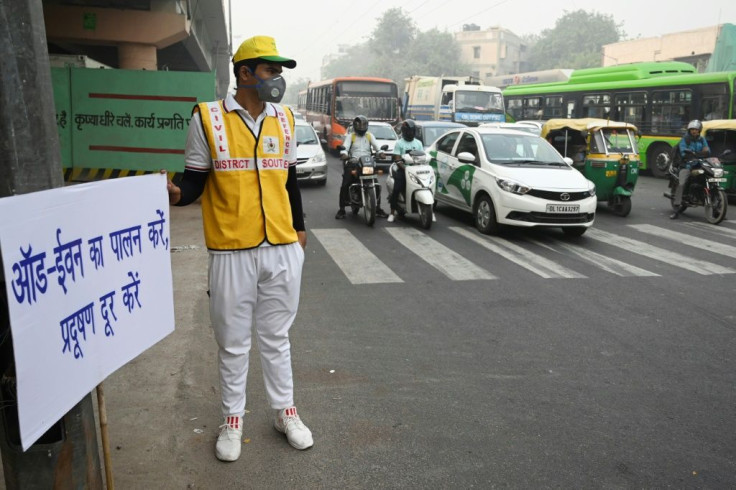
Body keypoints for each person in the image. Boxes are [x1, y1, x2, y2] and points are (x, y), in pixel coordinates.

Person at [164, 35, 313, 462]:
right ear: (245, 73)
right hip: (231, 250)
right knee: (232, 342)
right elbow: (194, 180)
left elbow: (289, 181)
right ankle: (232, 421)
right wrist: (177, 194)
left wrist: (299, 234)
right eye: (270, 70)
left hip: (281, 248)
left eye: (280, 72)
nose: (277, 79)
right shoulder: (207, 118)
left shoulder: (284, 119)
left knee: (277, 337)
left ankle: (285, 412)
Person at [335, 115, 389, 219]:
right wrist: (344, 154)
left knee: (376, 184)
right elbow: (345, 148)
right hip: (354, 163)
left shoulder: (369, 136)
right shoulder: (351, 136)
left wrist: (381, 153)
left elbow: (377, 148)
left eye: (364, 125)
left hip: (367, 163)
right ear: (355, 126)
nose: (361, 127)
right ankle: (342, 209)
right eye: (359, 125)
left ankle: (377, 209)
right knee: (345, 184)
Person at [671, 119, 711, 219]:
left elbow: (707, 151)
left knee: (710, 177)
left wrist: (700, 154)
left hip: (699, 165)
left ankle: (717, 208)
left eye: (696, 130)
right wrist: (694, 154)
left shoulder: (702, 139)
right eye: (692, 129)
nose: (694, 131)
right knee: (682, 183)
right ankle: (676, 209)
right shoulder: (685, 139)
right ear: (689, 130)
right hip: (686, 165)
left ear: (699, 130)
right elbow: (684, 152)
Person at [388, 119, 424, 223]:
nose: (411, 133)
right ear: (404, 131)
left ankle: (431, 211)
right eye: (409, 131)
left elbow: (423, 156)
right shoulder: (399, 143)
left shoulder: (418, 143)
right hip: (403, 170)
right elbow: (397, 159)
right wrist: (405, 168)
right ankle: (392, 212)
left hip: (417, 171)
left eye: (412, 131)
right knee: (397, 189)